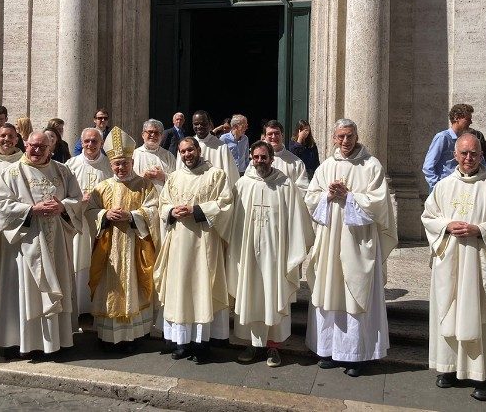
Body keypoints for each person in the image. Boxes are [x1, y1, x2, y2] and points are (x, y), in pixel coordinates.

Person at [421, 133, 486, 401]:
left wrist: (480, 229)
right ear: (455, 155)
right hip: (450, 261)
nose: (468, 158)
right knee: (448, 311)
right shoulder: (443, 186)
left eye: (474, 153)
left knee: (481, 316)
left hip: (481, 263)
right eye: (463, 153)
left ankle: (482, 375)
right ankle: (448, 368)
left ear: (481, 155)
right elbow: (429, 217)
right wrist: (446, 226)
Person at [304, 119, 398, 377]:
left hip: (358, 242)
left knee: (355, 292)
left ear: (357, 136)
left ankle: (356, 356)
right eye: (341, 136)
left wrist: (349, 196)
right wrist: (328, 196)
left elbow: (379, 205)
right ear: (334, 138)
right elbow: (311, 199)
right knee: (330, 291)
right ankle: (330, 351)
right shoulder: (326, 167)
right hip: (332, 241)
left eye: (350, 136)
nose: (346, 141)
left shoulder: (371, 166)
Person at [0, 131, 83, 356]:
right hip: (26, 242)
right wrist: (31, 210)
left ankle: (55, 343)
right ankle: (25, 343)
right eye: (33, 146)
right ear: (26, 145)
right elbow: (1, 205)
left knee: (57, 285)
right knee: (26, 291)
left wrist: (63, 207)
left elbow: (77, 199)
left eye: (43, 147)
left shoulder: (63, 171)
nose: (37, 151)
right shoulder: (12, 172)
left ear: (51, 148)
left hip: (56, 244)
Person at [226, 141, 314, 367]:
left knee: (273, 297)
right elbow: (232, 222)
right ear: (251, 158)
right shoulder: (243, 184)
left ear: (272, 158)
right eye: (255, 157)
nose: (259, 161)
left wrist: (291, 252)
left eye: (263, 157)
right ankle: (250, 344)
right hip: (248, 255)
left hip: (275, 256)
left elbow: (297, 220)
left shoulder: (286, 185)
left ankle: (274, 348)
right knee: (250, 296)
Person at [154, 136, 233, 363]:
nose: (187, 154)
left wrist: (196, 210)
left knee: (201, 288)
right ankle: (181, 342)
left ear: (198, 150)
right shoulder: (175, 177)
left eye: (190, 150)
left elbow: (226, 204)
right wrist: (171, 211)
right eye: (183, 151)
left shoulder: (216, 175)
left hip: (204, 243)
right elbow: (163, 203)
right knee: (180, 290)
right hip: (179, 243)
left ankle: (201, 342)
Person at [86, 127, 159, 351]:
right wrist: (103, 215)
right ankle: (108, 335)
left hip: (134, 243)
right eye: (116, 163)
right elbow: (90, 211)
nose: (120, 167)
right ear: (110, 165)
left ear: (131, 161)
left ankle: (133, 335)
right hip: (109, 247)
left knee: (134, 285)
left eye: (124, 163)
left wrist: (133, 215)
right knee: (110, 287)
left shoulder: (144, 185)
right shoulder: (102, 187)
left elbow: (154, 210)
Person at [66, 128, 113, 323]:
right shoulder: (71, 165)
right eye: (87, 141)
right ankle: (78, 307)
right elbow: (64, 194)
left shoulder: (109, 166)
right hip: (77, 222)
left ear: (101, 143)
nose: (90, 145)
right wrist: (79, 200)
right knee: (78, 260)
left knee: (98, 261)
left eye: (94, 141)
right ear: (81, 142)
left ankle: (96, 306)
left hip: (100, 223)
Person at [176, 110, 240, 188]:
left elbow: (231, 177)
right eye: (196, 124)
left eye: (203, 123)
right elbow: (180, 174)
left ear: (209, 124)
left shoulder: (221, 148)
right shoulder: (186, 147)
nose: (199, 126)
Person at [422, 104, 474, 191]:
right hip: (444, 189)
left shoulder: (463, 139)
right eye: (467, 119)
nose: (471, 122)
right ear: (456, 118)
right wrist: (437, 187)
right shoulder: (443, 137)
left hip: (459, 187)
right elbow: (428, 166)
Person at [261, 120, 310, 194]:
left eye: (277, 133)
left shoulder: (296, 163)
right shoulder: (257, 161)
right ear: (265, 137)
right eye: (270, 134)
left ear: (282, 135)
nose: (273, 136)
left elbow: (302, 189)